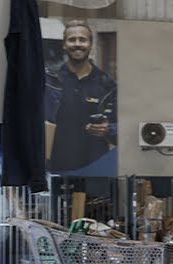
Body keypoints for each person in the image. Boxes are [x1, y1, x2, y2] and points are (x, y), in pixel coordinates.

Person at [44, 19, 117, 174]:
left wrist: (108, 129)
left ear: (90, 44)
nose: (77, 44)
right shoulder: (50, 81)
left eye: (82, 40)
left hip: (96, 168)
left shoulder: (106, 84)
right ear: (64, 45)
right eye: (72, 40)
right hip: (56, 168)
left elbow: (121, 127)